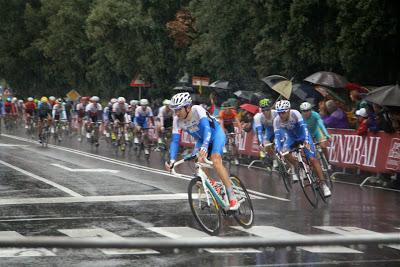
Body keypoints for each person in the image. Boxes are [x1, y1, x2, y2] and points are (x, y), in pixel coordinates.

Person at [165, 92, 241, 210]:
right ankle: (213, 185)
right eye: (175, 110)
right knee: (199, 165)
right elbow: (175, 141)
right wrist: (172, 160)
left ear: (188, 107)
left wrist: (205, 147)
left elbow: (207, 129)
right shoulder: (177, 120)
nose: (176, 113)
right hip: (201, 140)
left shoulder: (197, 110)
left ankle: (232, 197)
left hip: (216, 134)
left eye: (179, 109)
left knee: (216, 160)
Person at [273, 100, 331, 197]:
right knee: (284, 152)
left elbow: (304, 128)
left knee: (312, 159)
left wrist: (307, 142)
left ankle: (324, 185)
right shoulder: (277, 120)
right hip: (291, 139)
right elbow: (277, 137)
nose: (281, 115)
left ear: (289, 110)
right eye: (279, 113)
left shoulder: (295, 114)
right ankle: (299, 167)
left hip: (303, 136)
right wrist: (279, 150)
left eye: (283, 112)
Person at [300, 101, 331, 168]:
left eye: (308, 110)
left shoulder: (315, 114)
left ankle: (328, 162)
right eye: (304, 111)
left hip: (316, 131)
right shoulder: (300, 118)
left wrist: (326, 135)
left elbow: (321, 125)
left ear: (311, 110)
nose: (306, 113)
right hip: (308, 134)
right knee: (309, 151)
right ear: (301, 111)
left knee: (323, 146)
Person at [253, 98, 278, 166]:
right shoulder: (258, 117)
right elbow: (260, 132)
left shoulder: (276, 113)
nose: (265, 112)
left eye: (267, 109)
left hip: (278, 130)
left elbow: (281, 127)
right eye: (263, 110)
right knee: (266, 145)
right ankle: (274, 159)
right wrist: (261, 143)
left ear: (270, 108)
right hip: (269, 131)